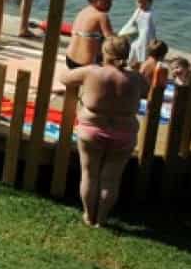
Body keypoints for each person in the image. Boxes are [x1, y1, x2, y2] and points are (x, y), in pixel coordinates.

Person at [59, 35, 144, 228]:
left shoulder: (92, 72)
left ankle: (89, 216)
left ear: (104, 53)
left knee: (90, 175)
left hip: (92, 130)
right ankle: (102, 219)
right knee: (111, 180)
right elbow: (148, 89)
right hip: (124, 134)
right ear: (126, 54)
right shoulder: (136, 78)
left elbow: (64, 77)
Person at [65, 0, 115, 69]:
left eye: (111, 1)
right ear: (96, 0)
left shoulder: (83, 11)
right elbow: (112, 42)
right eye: (107, 1)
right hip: (85, 64)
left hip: (70, 59)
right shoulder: (102, 16)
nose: (110, 4)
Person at [118, 0, 157, 64]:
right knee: (133, 54)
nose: (140, 5)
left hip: (146, 39)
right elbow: (130, 23)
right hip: (137, 38)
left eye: (143, 2)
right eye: (138, 2)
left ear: (150, 2)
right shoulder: (138, 10)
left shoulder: (150, 14)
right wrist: (122, 33)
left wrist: (152, 42)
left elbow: (151, 30)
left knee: (143, 56)